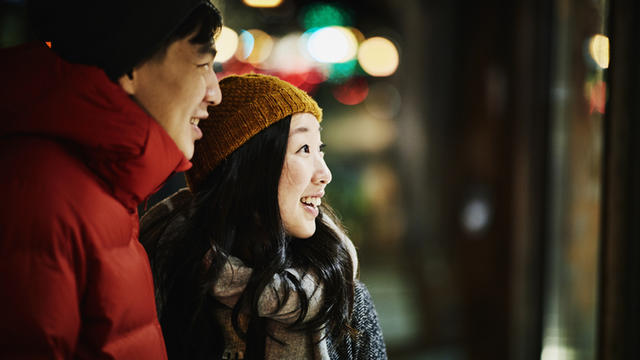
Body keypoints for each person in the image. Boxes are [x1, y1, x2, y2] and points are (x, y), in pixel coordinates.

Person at [0, 1, 222, 358]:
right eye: (203, 65)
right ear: (132, 65)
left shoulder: (104, 182)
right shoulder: (42, 193)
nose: (216, 93)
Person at [140, 74, 387, 360]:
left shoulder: (341, 301)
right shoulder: (164, 282)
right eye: (304, 149)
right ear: (248, 172)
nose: (324, 174)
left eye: (320, 150)